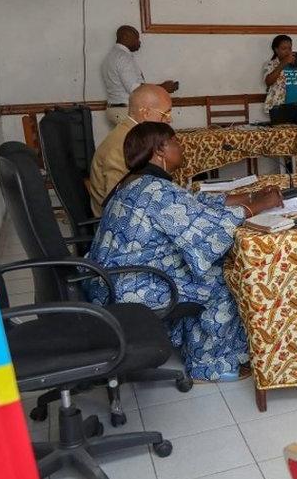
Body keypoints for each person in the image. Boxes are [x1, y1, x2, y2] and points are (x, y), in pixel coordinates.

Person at [89, 122, 283, 380]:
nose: (181, 147)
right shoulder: (156, 191)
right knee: (220, 279)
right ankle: (212, 366)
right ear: (160, 150)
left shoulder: (136, 182)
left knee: (200, 270)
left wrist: (251, 196)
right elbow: (208, 231)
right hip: (129, 287)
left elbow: (191, 203)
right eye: (175, 142)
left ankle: (194, 348)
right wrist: (259, 205)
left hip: (106, 281)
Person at [89, 84, 173, 215]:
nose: (170, 120)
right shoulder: (122, 145)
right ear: (146, 113)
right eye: (166, 114)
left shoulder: (131, 134)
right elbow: (120, 203)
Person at [102, 25, 178, 127]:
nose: (139, 42)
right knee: (142, 137)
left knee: (124, 137)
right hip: (125, 110)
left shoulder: (111, 56)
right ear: (125, 37)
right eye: (136, 38)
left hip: (116, 108)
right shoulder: (123, 58)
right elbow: (134, 89)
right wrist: (162, 88)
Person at [263, 34, 297, 128]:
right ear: (276, 50)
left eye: (290, 48)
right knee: (283, 135)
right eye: (284, 48)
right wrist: (283, 63)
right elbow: (268, 82)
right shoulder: (270, 64)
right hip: (279, 107)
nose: (288, 51)